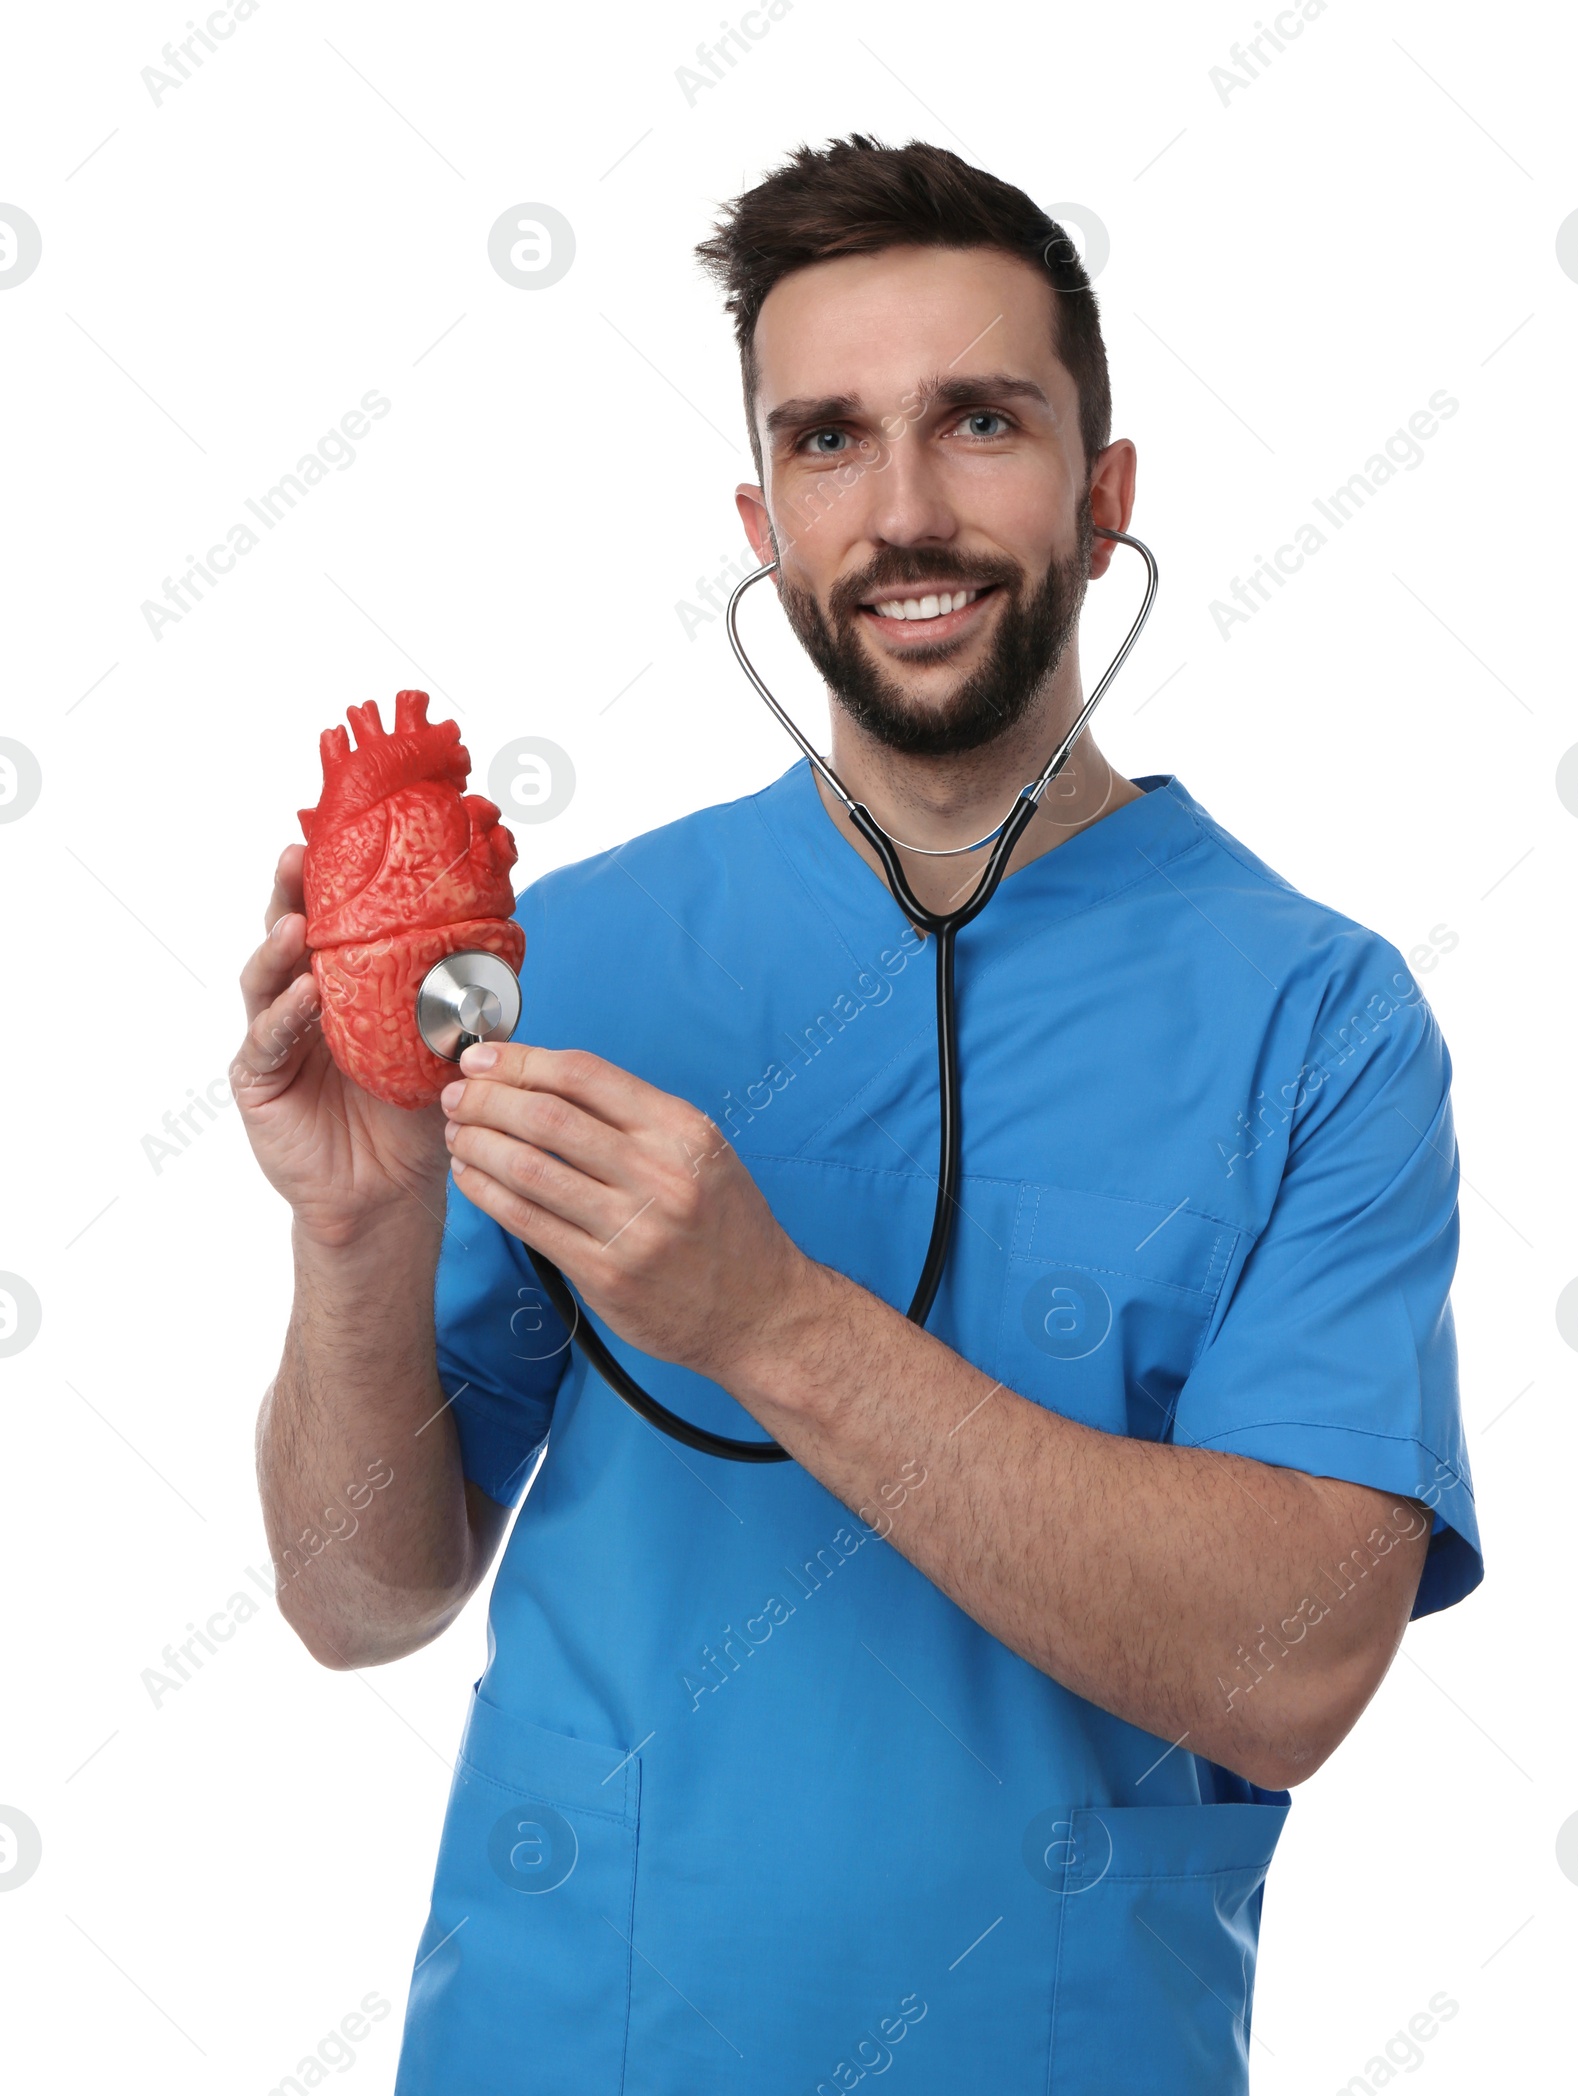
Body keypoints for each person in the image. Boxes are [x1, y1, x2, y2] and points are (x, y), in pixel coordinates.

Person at [234, 135, 1482, 2094]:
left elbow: (1298, 1663)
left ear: (1102, 489)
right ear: (760, 516)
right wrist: (357, 1230)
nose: (900, 510)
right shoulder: (580, 954)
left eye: (975, 421)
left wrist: (773, 1321)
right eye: (826, 441)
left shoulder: (1315, 1019)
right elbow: (356, 1594)